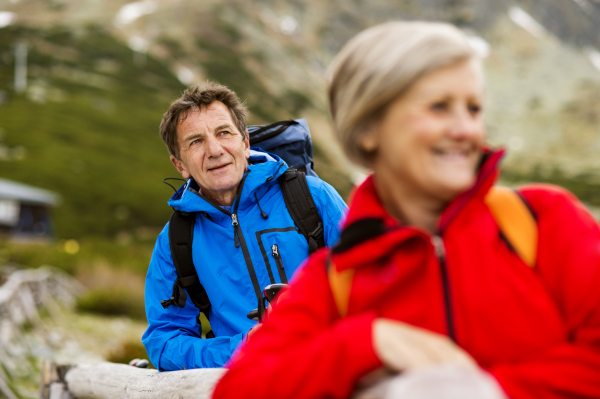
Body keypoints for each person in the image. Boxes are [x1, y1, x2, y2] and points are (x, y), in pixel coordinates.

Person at [213, 21, 600, 399]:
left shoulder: (544, 220)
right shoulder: (335, 280)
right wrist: (366, 341)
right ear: (368, 128)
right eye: (439, 107)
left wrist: (492, 390)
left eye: (474, 108)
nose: (466, 129)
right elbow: (240, 388)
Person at [142, 82, 348, 370]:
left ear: (245, 143)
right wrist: (240, 348)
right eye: (196, 141)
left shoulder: (311, 196)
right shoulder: (175, 241)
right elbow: (163, 341)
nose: (215, 150)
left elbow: (378, 282)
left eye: (224, 133)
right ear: (180, 165)